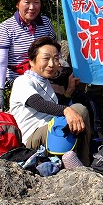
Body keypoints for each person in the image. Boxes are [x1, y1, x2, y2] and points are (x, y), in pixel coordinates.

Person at [9, 36, 92, 165]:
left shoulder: (45, 82)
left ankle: (79, 163)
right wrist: (67, 110)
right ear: (31, 61)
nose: (52, 64)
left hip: (51, 131)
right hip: (32, 139)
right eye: (46, 58)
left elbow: (54, 110)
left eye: (56, 59)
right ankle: (79, 163)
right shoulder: (23, 81)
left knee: (77, 112)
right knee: (78, 110)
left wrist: (69, 91)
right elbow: (37, 103)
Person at [0, 0, 56, 112]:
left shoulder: (46, 23)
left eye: (36, 2)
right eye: (27, 2)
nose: (32, 7)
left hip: (45, 75)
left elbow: (55, 52)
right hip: (18, 80)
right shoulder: (5, 28)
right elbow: (1, 63)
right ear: (17, 3)